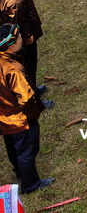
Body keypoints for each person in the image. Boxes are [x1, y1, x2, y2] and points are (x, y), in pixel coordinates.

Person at [0, 23, 54, 194]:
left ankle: (18, 170)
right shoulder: (13, 69)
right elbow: (26, 98)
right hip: (19, 119)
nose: (22, 38)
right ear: (11, 45)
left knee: (11, 146)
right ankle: (30, 184)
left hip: (3, 118)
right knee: (27, 150)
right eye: (19, 37)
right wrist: (33, 116)